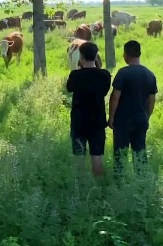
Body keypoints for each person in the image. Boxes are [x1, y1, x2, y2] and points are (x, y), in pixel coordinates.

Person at [108, 40, 157, 174]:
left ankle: (119, 182)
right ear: (139, 53)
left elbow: (115, 96)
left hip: (123, 120)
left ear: (126, 54)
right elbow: (152, 100)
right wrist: (146, 116)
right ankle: (141, 182)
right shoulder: (150, 74)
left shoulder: (123, 73)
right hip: (141, 118)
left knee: (120, 154)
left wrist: (111, 117)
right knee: (140, 153)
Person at [66, 42, 112, 177]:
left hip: (79, 120)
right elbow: (104, 92)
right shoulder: (104, 75)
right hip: (97, 120)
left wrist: (78, 67)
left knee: (79, 155)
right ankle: (98, 185)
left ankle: (80, 185)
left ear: (81, 56)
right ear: (96, 56)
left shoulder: (75, 75)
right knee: (97, 155)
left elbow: (69, 88)